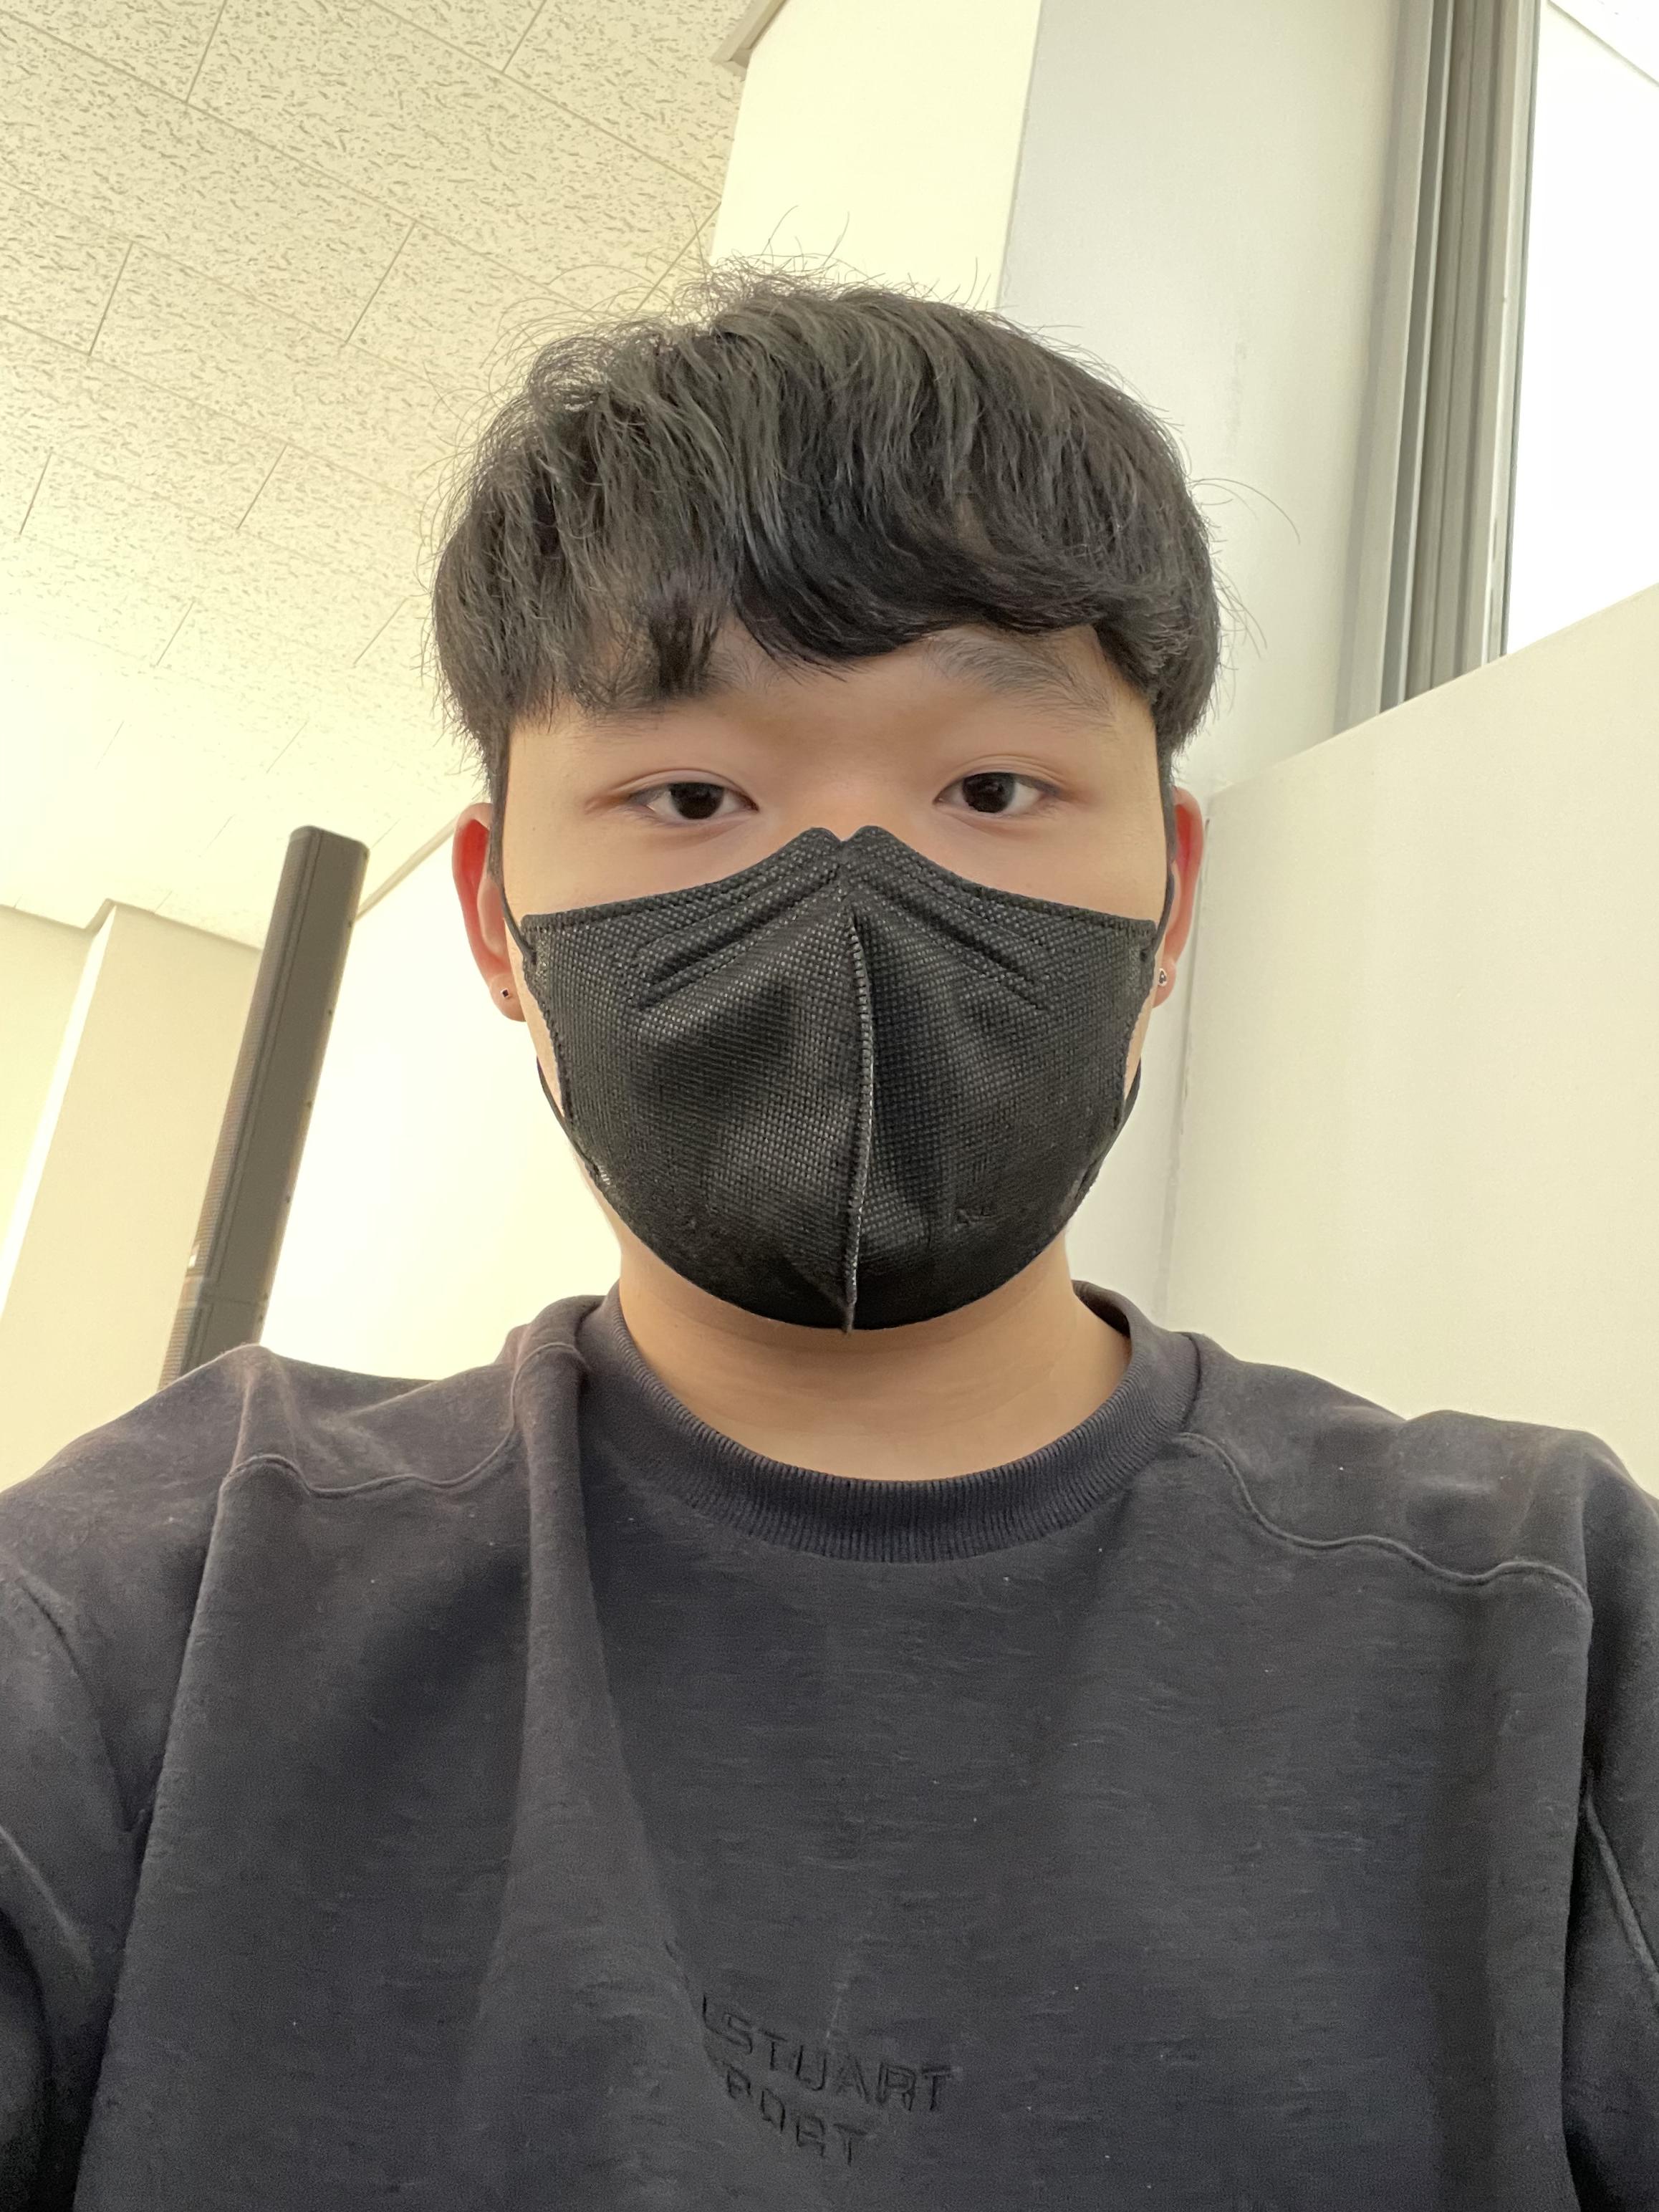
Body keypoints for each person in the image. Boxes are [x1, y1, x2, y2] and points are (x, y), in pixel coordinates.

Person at [1, 270, 1653, 2211]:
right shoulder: (170, 1587)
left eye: (992, 788)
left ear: (1169, 898)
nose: (852, 902)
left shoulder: (1550, 1622)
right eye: (693, 793)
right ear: (498, 926)